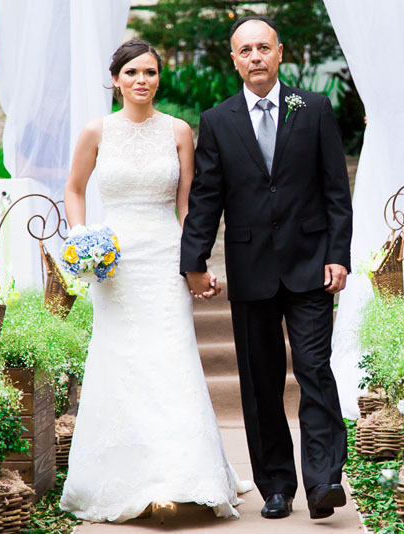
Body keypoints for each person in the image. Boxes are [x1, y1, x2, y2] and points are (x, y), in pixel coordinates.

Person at [60, 39, 253, 523]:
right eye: (131, 73)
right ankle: (130, 480)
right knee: (121, 360)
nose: (141, 80)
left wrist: (195, 262)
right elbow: (74, 189)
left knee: (172, 359)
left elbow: (189, 204)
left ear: (158, 78)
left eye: (149, 72)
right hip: (116, 263)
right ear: (116, 80)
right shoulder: (96, 130)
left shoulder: (179, 131)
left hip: (165, 256)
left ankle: (182, 478)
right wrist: (85, 240)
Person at [179, 16, 353, 520]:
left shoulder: (315, 109)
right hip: (252, 269)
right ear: (233, 59)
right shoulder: (217, 120)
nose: (255, 57)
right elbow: (207, 196)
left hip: (311, 267)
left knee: (316, 370)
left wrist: (338, 255)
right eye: (245, 50)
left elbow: (335, 192)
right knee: (260, 381)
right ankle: (276, 484)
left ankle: (323, 481)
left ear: (280, 52)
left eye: (263, 47)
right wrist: (193, 262)